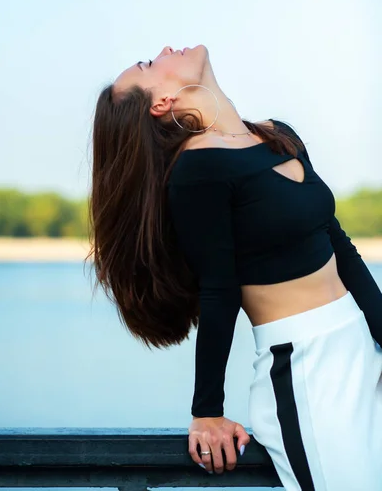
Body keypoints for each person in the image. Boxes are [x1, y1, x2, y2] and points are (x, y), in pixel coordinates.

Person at [87, 44, 382, 491]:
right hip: (306, 373)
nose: (165, 50)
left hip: (362, 345)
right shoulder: (198, 170)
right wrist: (206, 411)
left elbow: (339, 246)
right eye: (149, 63)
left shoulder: (276, 135)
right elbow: (219, 289)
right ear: (161, 103)